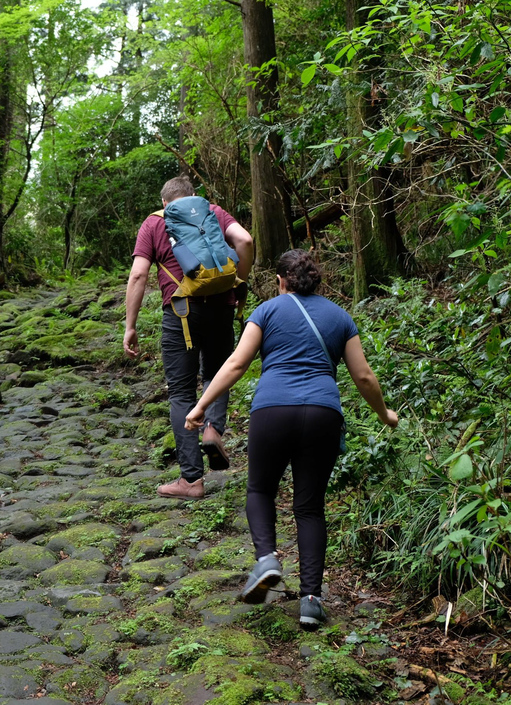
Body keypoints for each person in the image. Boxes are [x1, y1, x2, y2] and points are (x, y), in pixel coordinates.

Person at [185, 249, 398, 627]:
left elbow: (237, 362)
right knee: (310, 507)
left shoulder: (266, 311)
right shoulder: (340, 316)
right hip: (323, 414)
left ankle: (267, 560)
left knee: (260, 491)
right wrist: (385, 414)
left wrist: (202, 405)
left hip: (272, 411)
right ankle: (312, 600)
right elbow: (363, 376)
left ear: (281, 281)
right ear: (317, 280)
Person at [123, 174, 254, 500]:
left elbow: (139, 273)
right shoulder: (213, 212)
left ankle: (192, 480)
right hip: (221, 308)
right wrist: (240, 282)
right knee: (217, 374)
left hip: (180, 313)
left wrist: (131, 325)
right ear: (194, 196)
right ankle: (212, 429)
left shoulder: (155, 223)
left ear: (164, 203)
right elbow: (246, 241)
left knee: (181, 393)